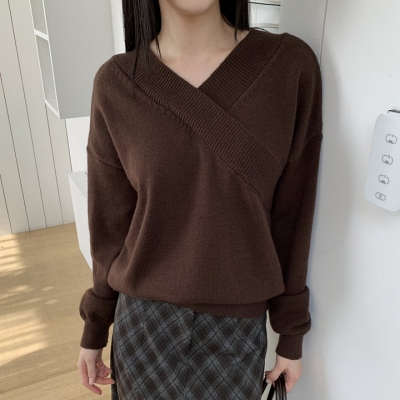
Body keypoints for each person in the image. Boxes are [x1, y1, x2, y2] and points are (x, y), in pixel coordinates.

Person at [76, 0, 323, 398]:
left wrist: (291, 333)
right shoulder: (116, 83)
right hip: (144, 329)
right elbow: (109, 225)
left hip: (237, 333)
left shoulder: (289, 67)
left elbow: (294, 213)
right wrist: (95, 327)